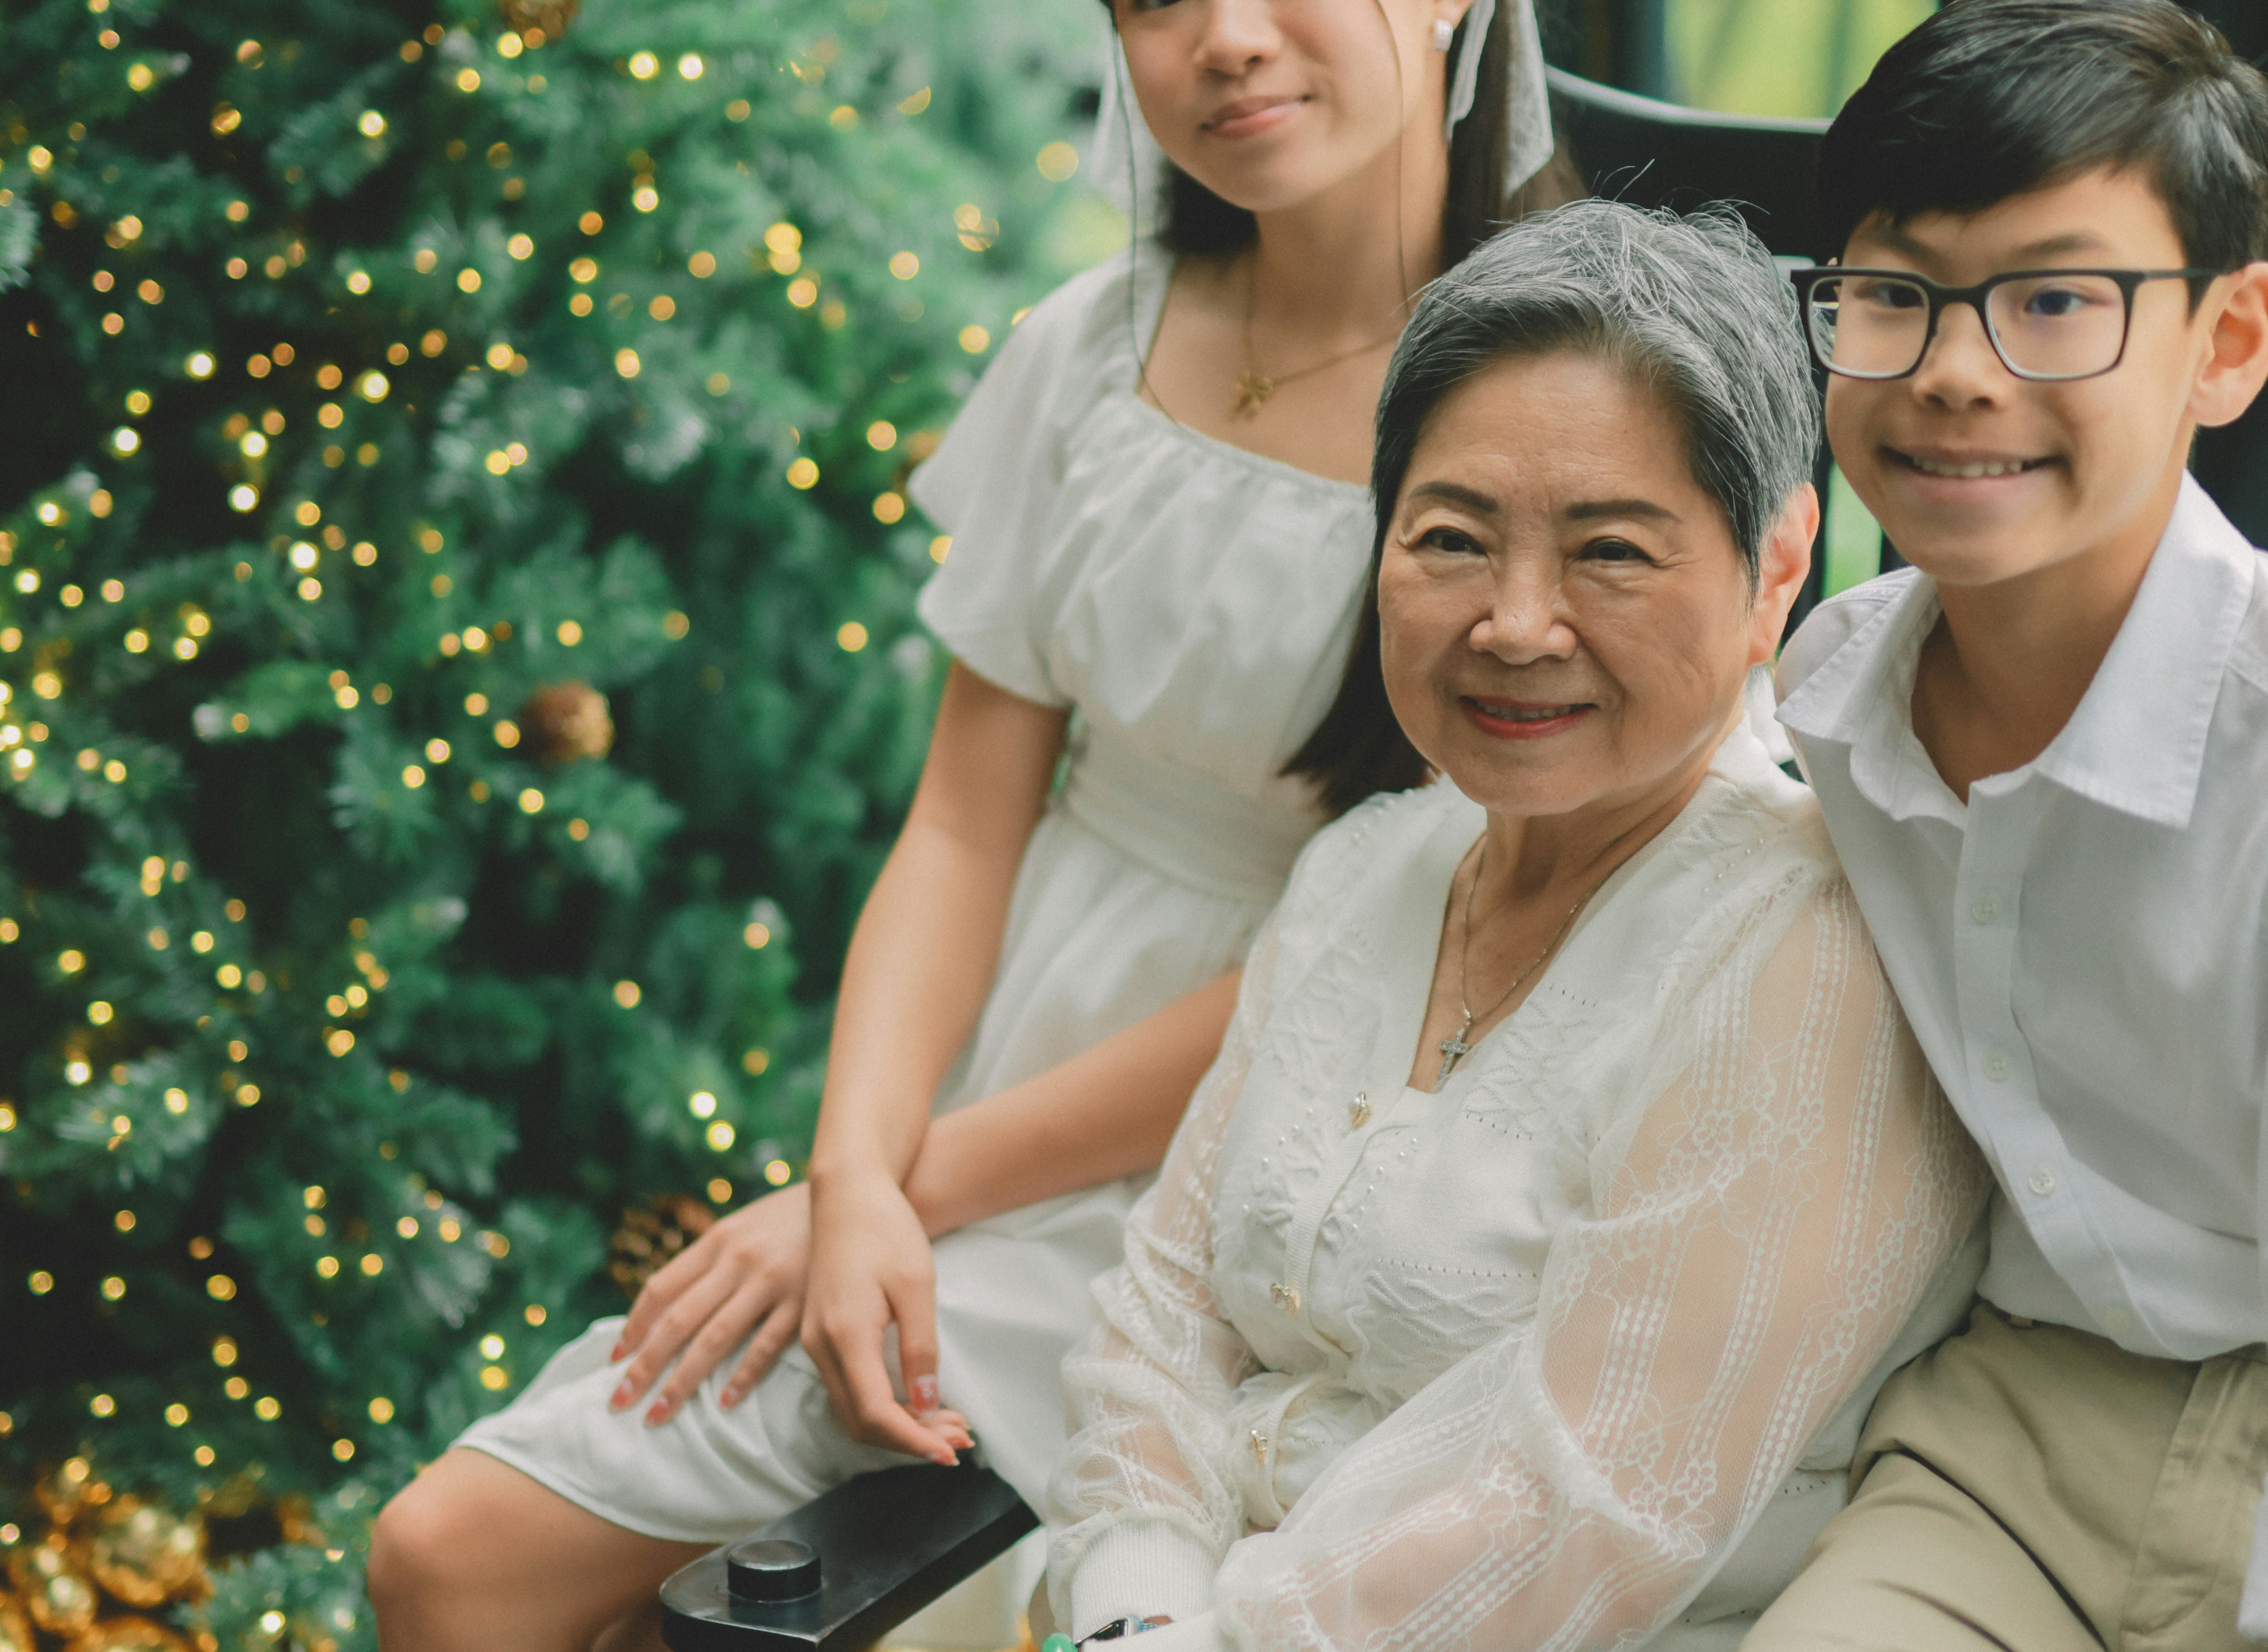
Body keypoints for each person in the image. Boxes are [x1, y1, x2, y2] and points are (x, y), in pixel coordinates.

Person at [368, 4, 1578, 1648]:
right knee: (455, 1555)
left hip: (1280, 1148)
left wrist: (914, 1195)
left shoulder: (1542, 416)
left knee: (485, 1560)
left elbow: (1406, 940)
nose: (1223, 39)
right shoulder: (1095, 345)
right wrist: (854, 1171)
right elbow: (959, 822)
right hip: (987, 1085)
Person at [1042, 200, 1989, 1652]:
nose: (1516, 623)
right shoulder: (1367, 868)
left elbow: (1582, 1507)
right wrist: (1133, 1602)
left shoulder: (1817, 953)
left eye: (1610, 551)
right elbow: (1158, 1319)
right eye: (1452, 539)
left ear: (1779, 564)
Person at [1731, 5, 2268, 1650]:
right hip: (2003, 1442)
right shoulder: (1823, 703)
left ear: (2231, 342)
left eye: (2055, 299)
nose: (1957, 371)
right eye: (1894, 296)